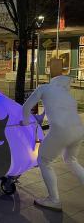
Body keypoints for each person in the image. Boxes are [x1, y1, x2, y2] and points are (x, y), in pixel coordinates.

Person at [22, 75, 84, 211]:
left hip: (61, 131)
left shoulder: (44, 88)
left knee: (44, 160)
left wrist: (25, 122)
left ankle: (54, 200)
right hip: (79, 131)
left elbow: (26, 106)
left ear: (53, 81)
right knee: (71, 160)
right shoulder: (69, 97)